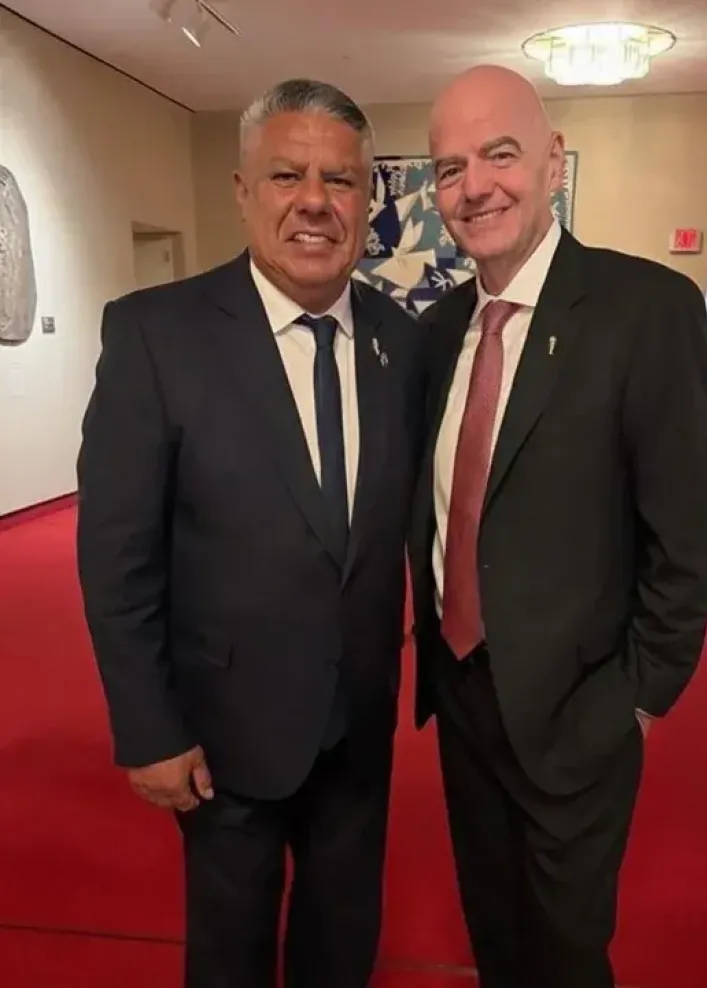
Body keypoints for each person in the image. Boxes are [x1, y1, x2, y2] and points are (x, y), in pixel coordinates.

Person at [76, 78, 424, 988]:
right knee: (229, 954)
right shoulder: (155, 335)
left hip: (359, 724)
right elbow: (117, 556)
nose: (314, 201)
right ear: (242, 190)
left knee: (342, 941)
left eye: (339, 180)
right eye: (286, 176)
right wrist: (147, 728)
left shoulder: (400, 343)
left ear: (368, 199)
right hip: (223, 731)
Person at [409, 64, 707, 988]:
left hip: (580, 707)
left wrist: (638, 699)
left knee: (566, 950)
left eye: (500, 154)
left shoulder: (647, 311)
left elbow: (684, 535)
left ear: (553, 161)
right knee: (493, 928)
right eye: (451, 168)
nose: (475, 186)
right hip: (462, 696)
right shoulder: (436, 333)